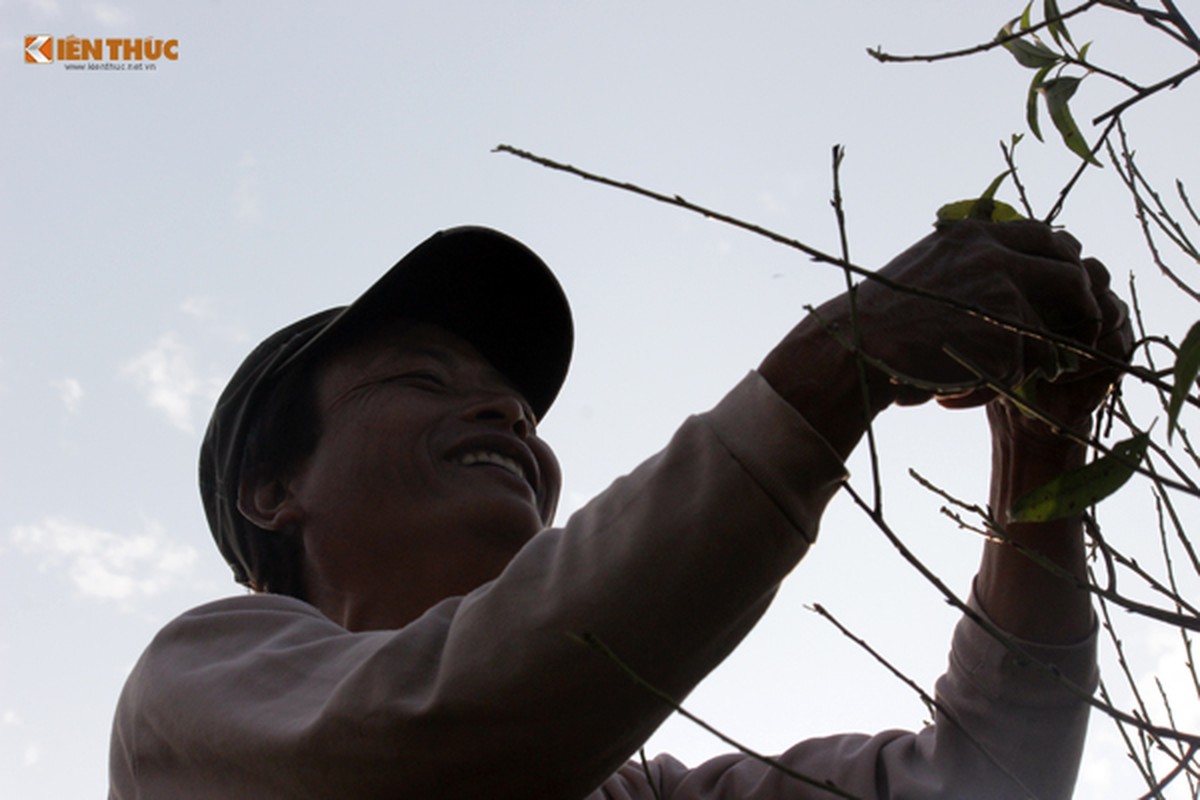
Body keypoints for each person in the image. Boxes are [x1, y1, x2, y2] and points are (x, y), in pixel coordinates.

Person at [108, 221, 1130, 799]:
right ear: (272, 491)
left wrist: (1041, 459)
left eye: (517, 401)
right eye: (421, 378)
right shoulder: (195, 690)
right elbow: (436, 729)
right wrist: (833, 366)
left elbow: (986, 781)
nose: (507, 408)